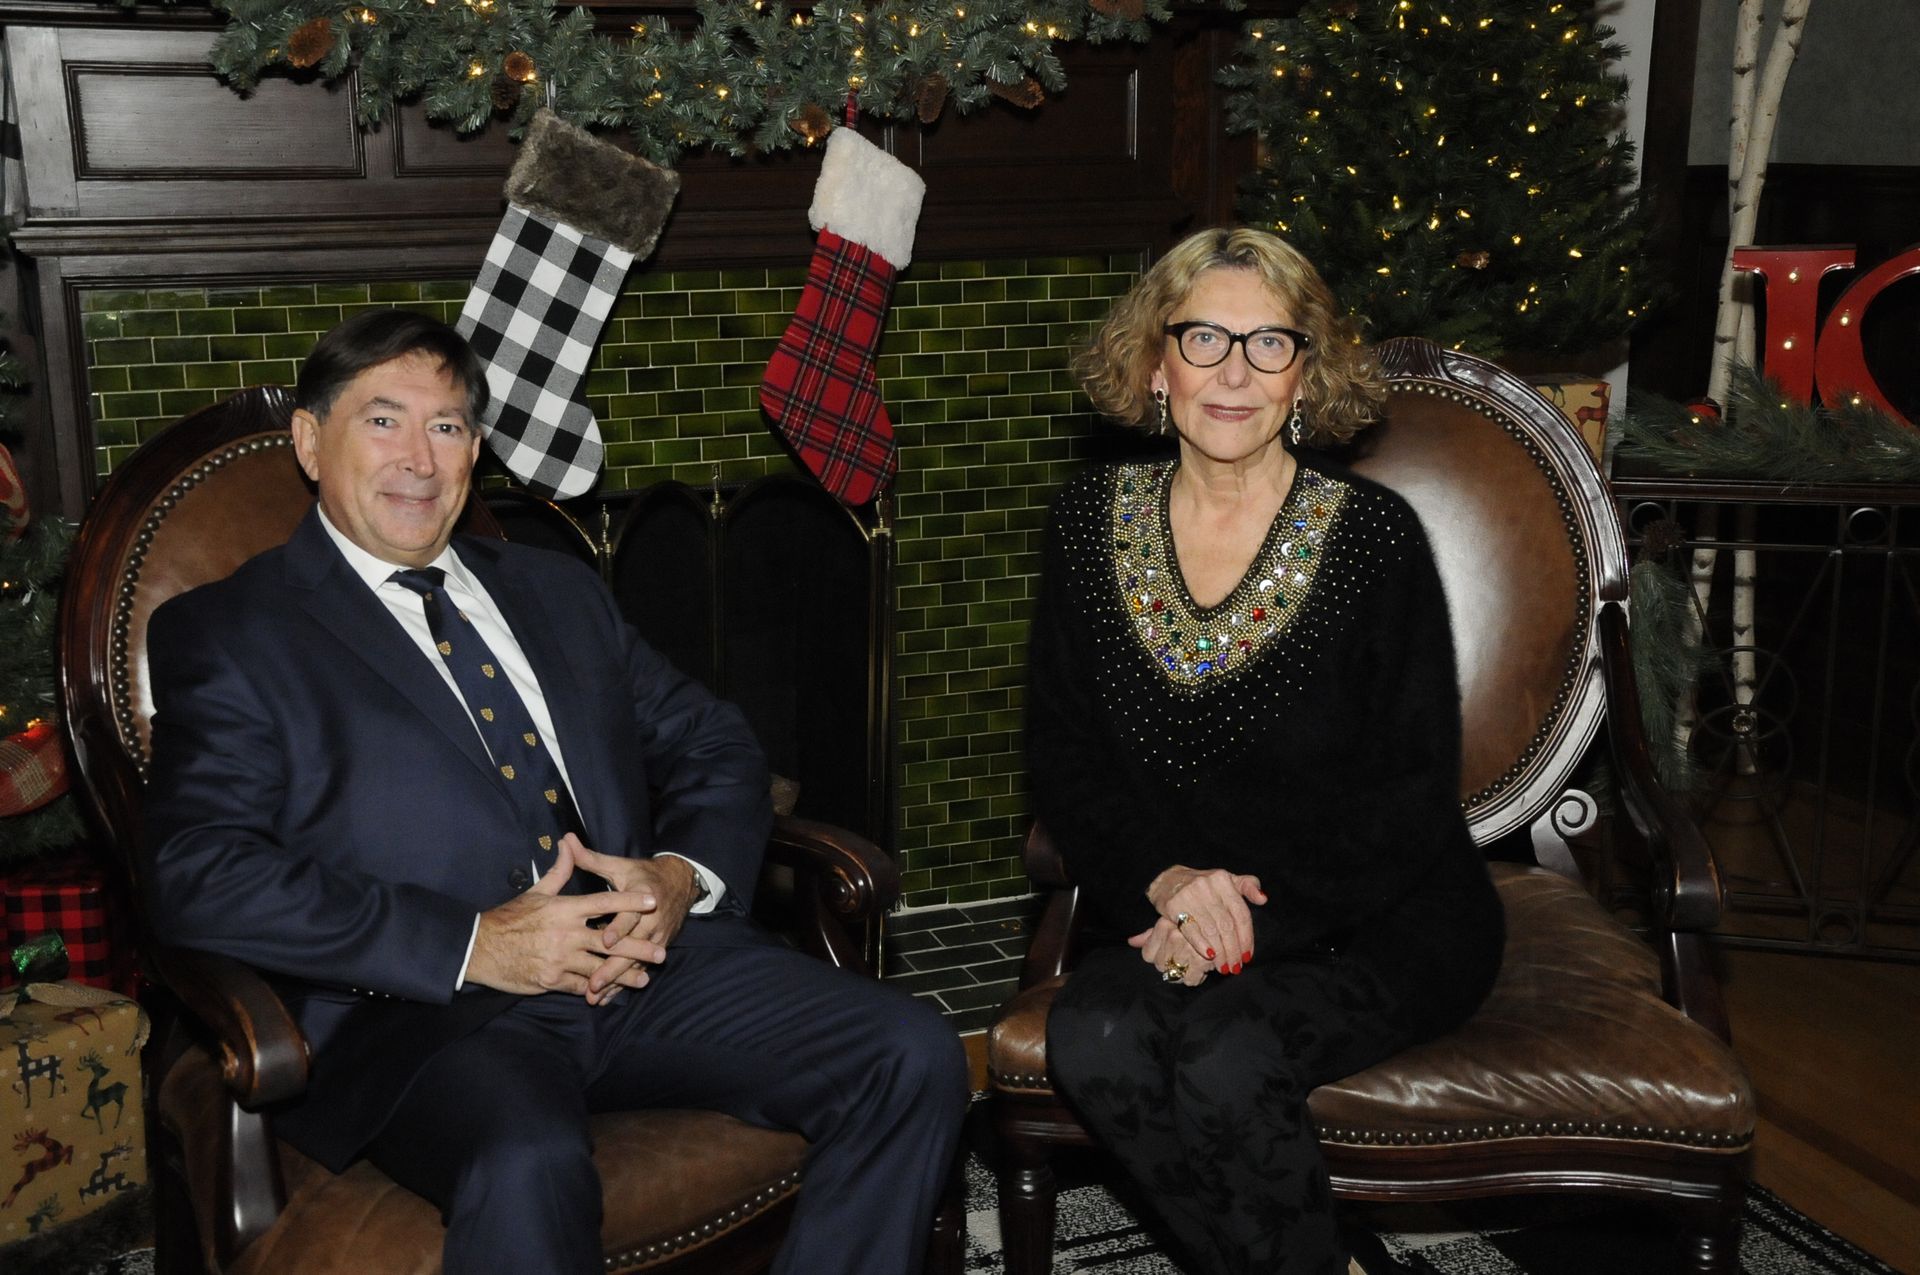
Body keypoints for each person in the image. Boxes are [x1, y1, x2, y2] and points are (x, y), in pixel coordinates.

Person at [142, 309, 967, 1275]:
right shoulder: (234, 629)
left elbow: (714, 740)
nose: (418, 456)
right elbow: (199, 873)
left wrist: (678, 877)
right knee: (525, 1159)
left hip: (643, 967)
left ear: (475, 450)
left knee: (912, 1051)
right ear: (309, 441)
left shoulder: (552, 587)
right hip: (434, 1014)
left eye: (446, 426)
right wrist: (477, 943)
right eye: (383, 420)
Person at [1028, 227, 1504, 1275]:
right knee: (1091, 1039)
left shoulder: (1374, 539)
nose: (1234, 371)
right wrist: (1166, 884)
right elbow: (1065, 756)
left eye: (1270, 343)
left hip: (1378, 913)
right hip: (1170, 904)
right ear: (1156, 365)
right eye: (1203, 339)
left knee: (1226, 1056)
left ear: (1307, 372)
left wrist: (1241, 919)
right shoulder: (1083, 524)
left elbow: (1410, 795)